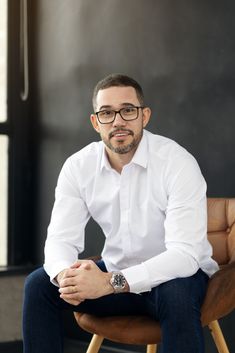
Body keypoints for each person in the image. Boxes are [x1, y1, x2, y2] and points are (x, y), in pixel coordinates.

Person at [23, 73, 219, 353]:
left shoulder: (177, 162)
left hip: (174, 279)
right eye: (106, 113)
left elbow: (184, 256)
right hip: (114, 274)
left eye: (128, 110)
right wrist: (67, 277)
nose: (118, 121)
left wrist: (110, 282)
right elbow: (59, 240)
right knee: (39, 284)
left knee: (176, 294)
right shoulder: (78, 167)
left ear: (145, 116)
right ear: (95, 122)